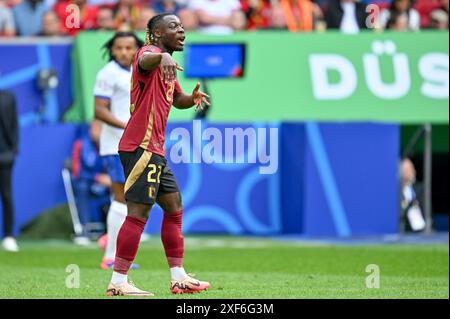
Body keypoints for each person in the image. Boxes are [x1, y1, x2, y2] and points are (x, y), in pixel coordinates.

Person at [106, 13, 210, 297]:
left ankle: (179, 278)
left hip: (154, 149)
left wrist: (192, 98)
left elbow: (176, 99)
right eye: (174, 26)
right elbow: (145, 59)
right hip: (140, 147)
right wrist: (161, 57)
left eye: (182, 26)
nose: (182, 30)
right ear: (156, 34)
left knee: (174, 208)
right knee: (138, 213)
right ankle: (118, 281)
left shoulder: (167, 65)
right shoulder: (149, 52)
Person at [94, 31, 144, 270]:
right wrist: (129, 126)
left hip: (138, 144)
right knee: (121, 198)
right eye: (119, 48)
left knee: (133, 198)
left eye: (129, 47)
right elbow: (99, 110)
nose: (124, 52)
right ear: (112, 50)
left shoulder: (141, 72)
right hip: (116, 145)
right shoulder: (107, 74)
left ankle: (109, 238)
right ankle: (110, 256)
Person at [0, 90, 19, 252]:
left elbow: (13, 124)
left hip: (5, 155)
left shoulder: (8, 97)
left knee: (6, 195)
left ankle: (8, 236)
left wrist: (13, 150)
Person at [400, 158, 426, 232]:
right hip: (404, 229)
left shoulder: (420, 188)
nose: (414, 171)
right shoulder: (396, 191)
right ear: (402, 172)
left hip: (422, 229)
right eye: (410, 169)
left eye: (413, 168)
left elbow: (427, 210)